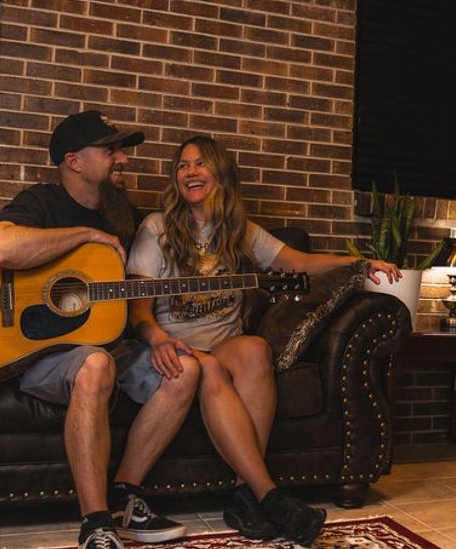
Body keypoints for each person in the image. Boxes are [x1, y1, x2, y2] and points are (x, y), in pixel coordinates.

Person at [126, 136, 399, 546]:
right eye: (183, 166)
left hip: (225, 344)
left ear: (220, 174)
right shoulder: (156, 227)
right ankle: (266, 496)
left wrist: (359, 264)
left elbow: (300, 263)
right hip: (181, 346)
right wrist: (159, 338)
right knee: (211, 366)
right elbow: (138, 309)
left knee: (254, 349)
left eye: (201, 164)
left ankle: (243, 495)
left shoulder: (239, 230)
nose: (191, 172)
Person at [0, 110, 190, 549]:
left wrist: (157, 333)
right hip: (41, 351)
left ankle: (126, 497)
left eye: (122, 150)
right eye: (111, 150)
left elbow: (139, 294)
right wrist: (84, 236)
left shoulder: (127, 217)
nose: (124, 160)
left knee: (186, 370)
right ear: (74, 161)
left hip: (108, 345)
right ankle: (95, 523)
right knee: (94, 365)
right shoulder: (41, 202)